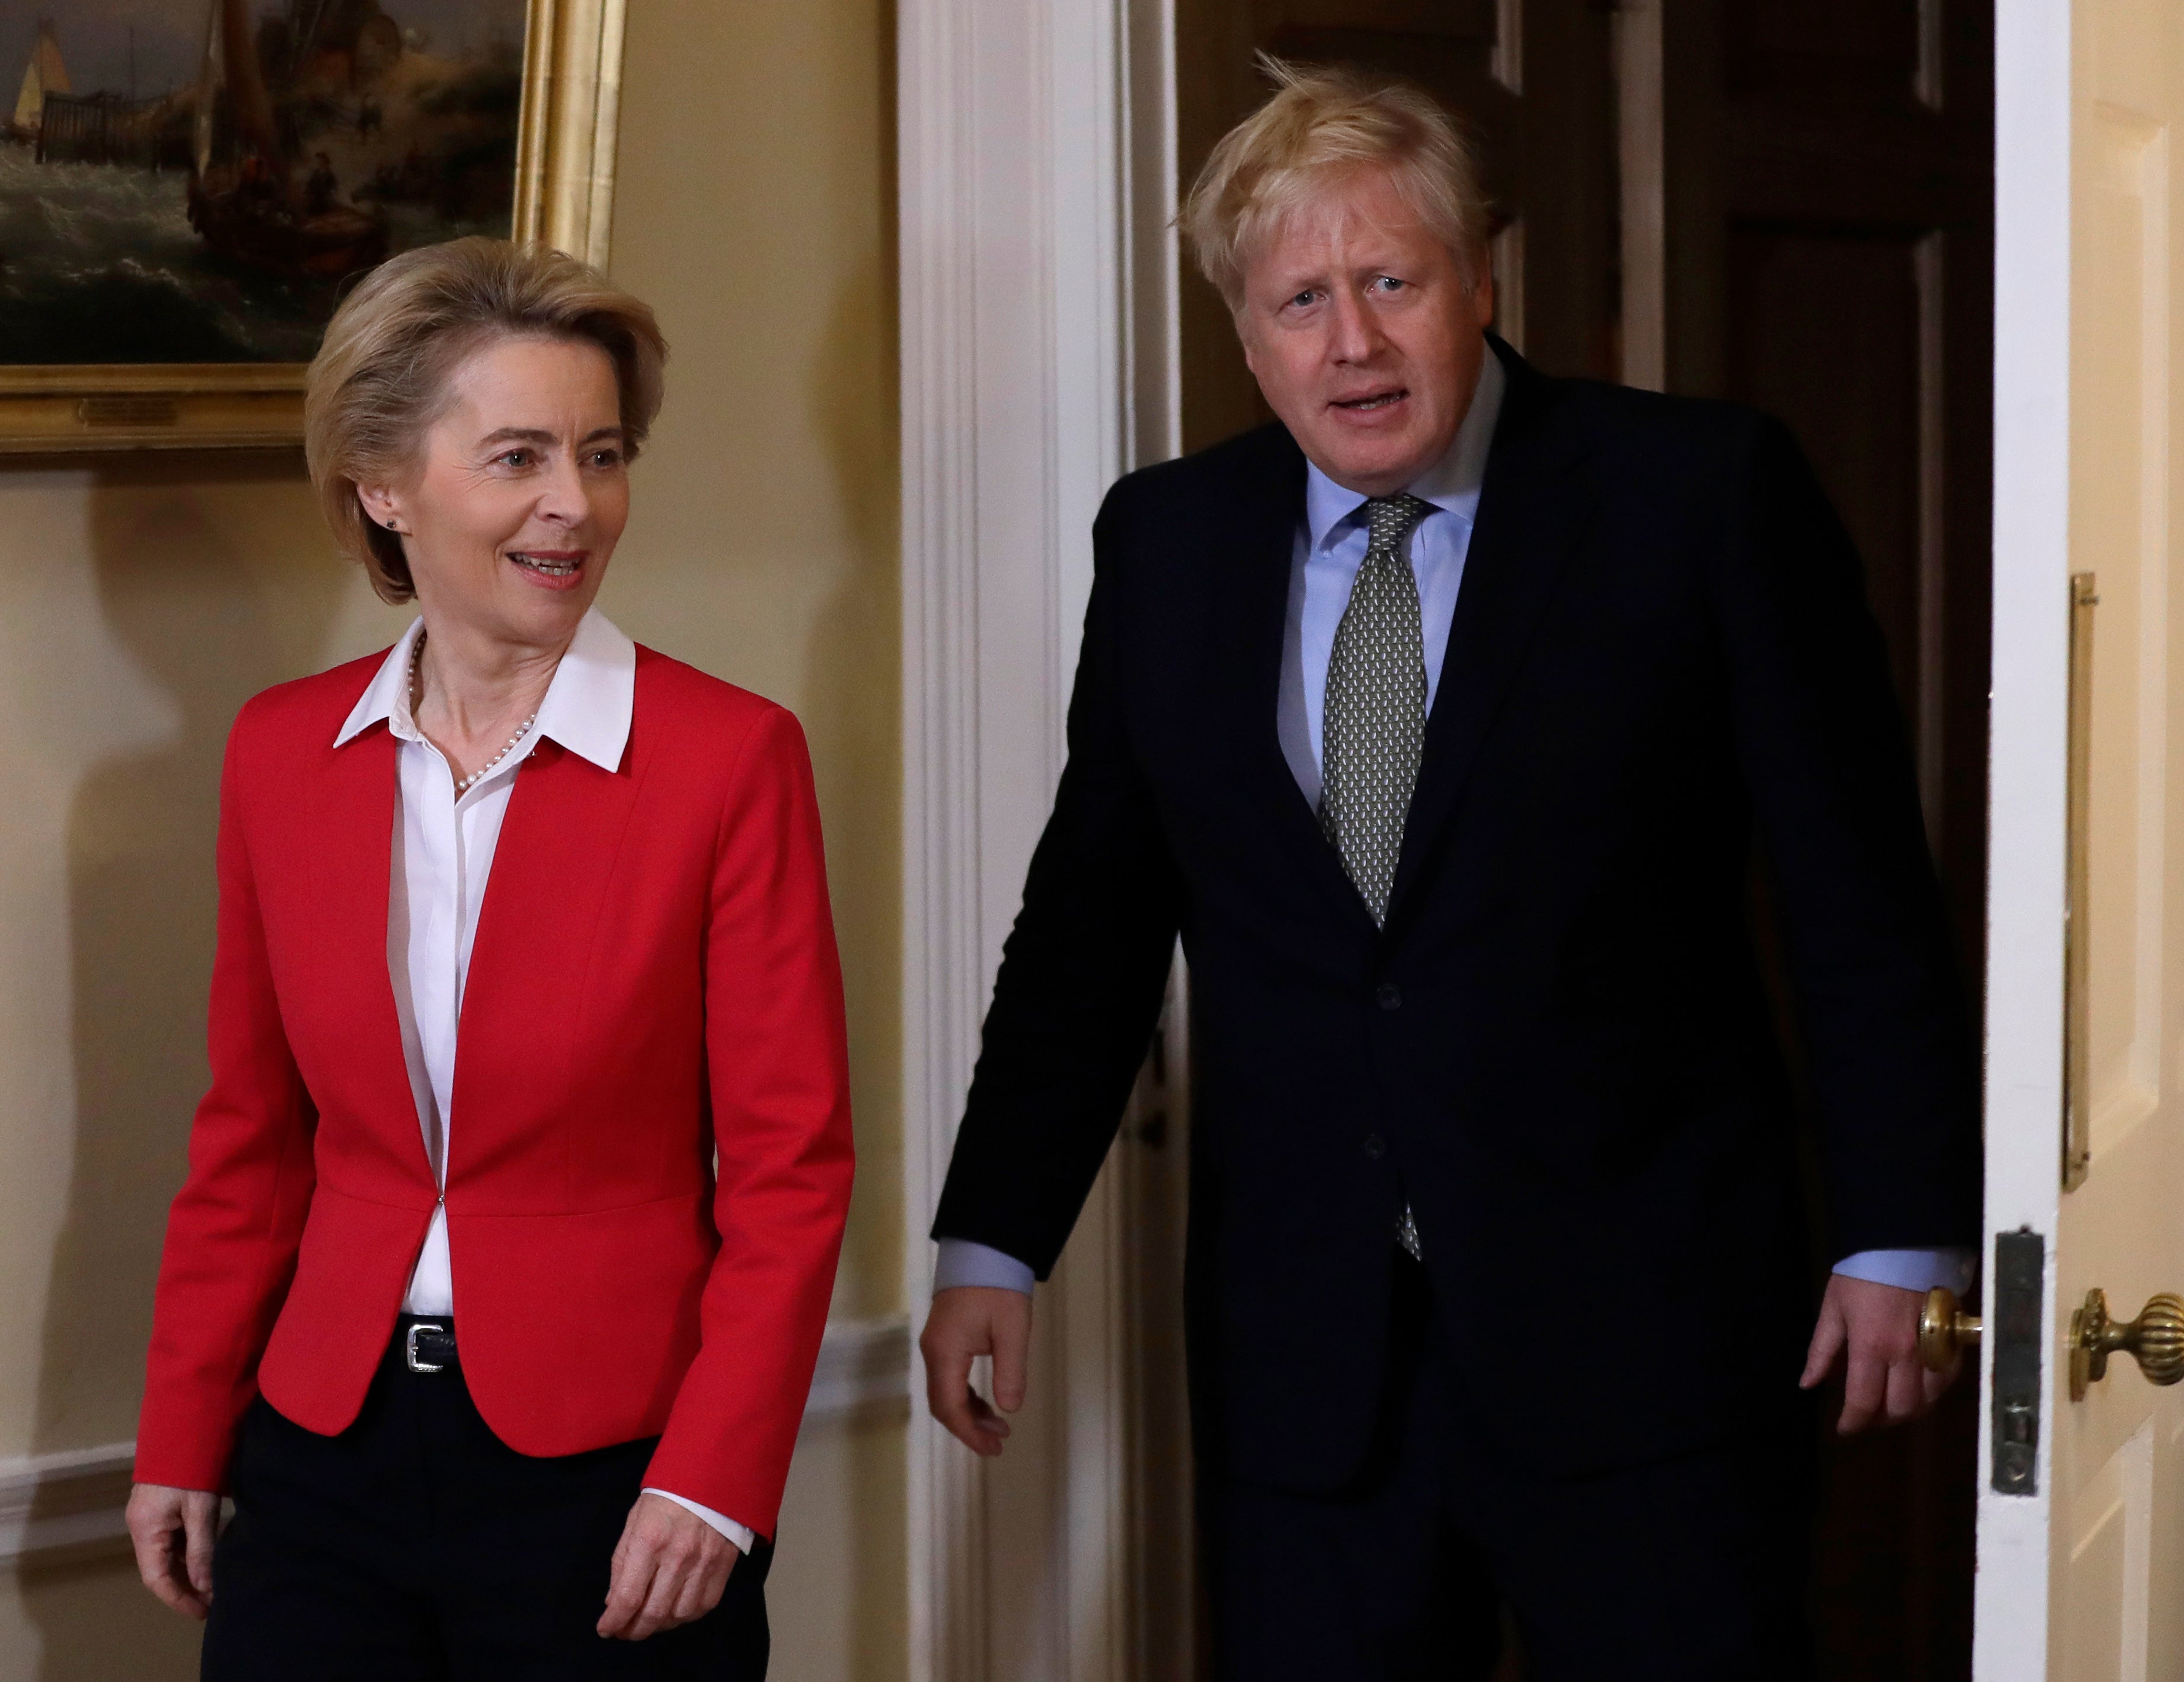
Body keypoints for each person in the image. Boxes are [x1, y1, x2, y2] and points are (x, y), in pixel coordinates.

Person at [919, 59, 1980, 1680]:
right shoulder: (1169, 542)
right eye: (1298, 300)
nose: (1350, 339)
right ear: (1244, 330)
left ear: (1482, 280)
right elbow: (1091, 925)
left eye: (1391, 281)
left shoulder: (1696, 493)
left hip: (1650, 1348)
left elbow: (1857, 889)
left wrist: (1900, 1227)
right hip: (1310, 1373)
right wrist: (995, 1237)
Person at [125, 237, 854, 1680]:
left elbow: (792, 1168)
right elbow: (252, 1142)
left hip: (611, 1475)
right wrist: (185, 1427)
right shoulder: (281, 753)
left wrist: (713, 1477)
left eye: (600, 453)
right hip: (318, 1460)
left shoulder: (729, 760)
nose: (572, 507)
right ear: (382, 487)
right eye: (517, 455)